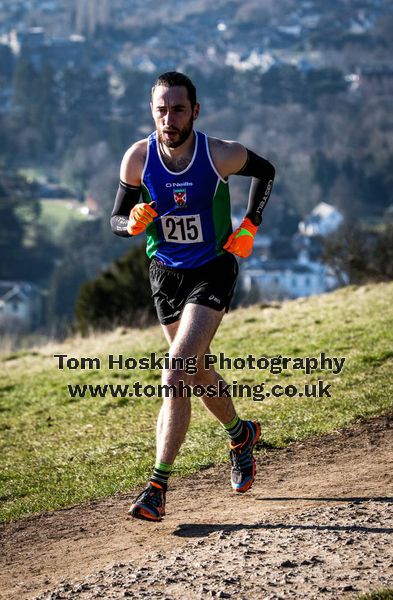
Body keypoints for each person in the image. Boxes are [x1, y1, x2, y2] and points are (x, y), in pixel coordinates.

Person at [110, 71, 275, 522]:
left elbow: (265, 171)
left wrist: (249, 224)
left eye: (178, 109)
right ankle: (241, 435)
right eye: (161, 109)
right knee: (195, 372)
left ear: (194, 111)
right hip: (165, 274)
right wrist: (132, 223)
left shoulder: (218, 154)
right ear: (152, 111)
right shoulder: (138, 159)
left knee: (175, 371)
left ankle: (157, 487)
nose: (169, 118)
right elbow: (116, 219)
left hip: (212, 270)